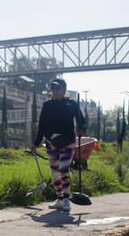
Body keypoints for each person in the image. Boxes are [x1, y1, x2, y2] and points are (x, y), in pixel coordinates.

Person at [31, 78, 87, 212]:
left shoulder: (71, 104)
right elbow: (42, 126)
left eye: (57, 88)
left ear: (64, 90)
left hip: (67, 141)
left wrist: (82, 128)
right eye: (53, 89)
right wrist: (36, 143)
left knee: (63, 169)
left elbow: (82, 120)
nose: (54, 91)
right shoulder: (47, 105)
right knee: (55, 171)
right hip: (51, 142)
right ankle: (59, 198)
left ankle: (66, 199)